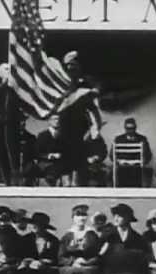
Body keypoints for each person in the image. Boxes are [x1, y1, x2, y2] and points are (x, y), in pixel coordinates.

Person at [59, 51, 103, 186]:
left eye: (72, 65)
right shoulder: (62, 82)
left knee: (80, 156)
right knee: (65, 155)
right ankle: (66, 183)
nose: (70, 68)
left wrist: (95, 127)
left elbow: (95, 100)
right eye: (67, 65)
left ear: (78, 65)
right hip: (65, 123)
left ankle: (77, 183)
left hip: (81, 124)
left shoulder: (87, 81)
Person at [57, 205, 103, 274]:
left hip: (89, 265)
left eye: (84, 215)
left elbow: (98, 256)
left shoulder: (92, 235)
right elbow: (61, 257)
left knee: (88, 273)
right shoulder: (67, 236)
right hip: (70, 265)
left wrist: (87, 262)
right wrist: (73, 261)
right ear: (73, 218)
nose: (81, 218)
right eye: (78, 215)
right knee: (71, 273)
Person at [101, 204, 150, 274]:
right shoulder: (107, 235)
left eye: (120, 216)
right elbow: (99, 254)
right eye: (115, 215)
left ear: (128, 218)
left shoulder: (137, 238)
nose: (116, 218)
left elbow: (143, 256)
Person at [110, 117, 152, 187]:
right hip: (123, 168)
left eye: (132, 128)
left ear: (135, 128)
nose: (130, 131)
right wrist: (117, 162)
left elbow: (148, 155)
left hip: (136, 168)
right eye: (128, 129)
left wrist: (143, 162)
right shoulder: (118, 139)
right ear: (125, 128)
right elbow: (112, 155)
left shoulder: (142, 139)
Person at [34, 113, 70, 186]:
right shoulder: (42, 135)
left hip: (61, 165)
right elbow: (37, 153)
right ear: (49, 121)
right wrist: (50, 155)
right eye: (55, 119)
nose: (57, 121)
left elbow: (68, 151)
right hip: (45, 164)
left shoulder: (64, 136)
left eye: (58, 119)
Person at [17, 117, 36, 186]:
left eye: (23, 122)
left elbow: (34, 153)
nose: (21, 124)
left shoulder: (31, 137)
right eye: (19, 122)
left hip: (27, 164)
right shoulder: (10, 137)